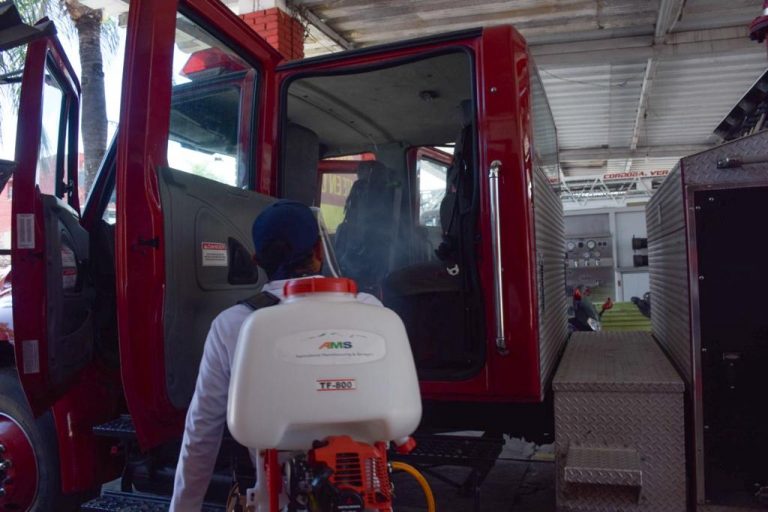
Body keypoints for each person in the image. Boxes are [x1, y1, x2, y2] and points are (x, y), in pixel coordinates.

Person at [169, 200, 381, 511]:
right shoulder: (372, 311)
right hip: (365, 496)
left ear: (257, 260)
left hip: (275, 499)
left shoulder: (232, 325)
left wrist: (183, 508)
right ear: (320, 250)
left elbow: (201, 432)